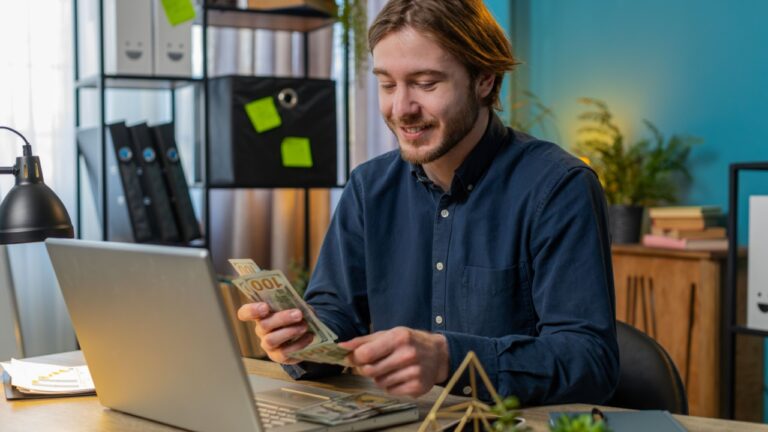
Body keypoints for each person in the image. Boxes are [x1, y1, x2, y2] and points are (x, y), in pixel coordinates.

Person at [238, 0, 619, 405]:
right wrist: (304, 340)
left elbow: (589, 360)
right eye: (387, 84)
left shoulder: (559, 187)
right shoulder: (368, 187)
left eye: (425, 83)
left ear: (485, 80)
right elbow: (336, 317)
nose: (401, 109)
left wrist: (448, 359)